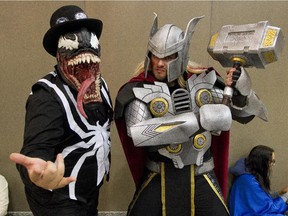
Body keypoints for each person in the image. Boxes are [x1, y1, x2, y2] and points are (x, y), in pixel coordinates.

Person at [114, 13, 268, 216]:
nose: (160, 63)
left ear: (182, 54)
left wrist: (241, 91)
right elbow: (140, 134)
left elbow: (246, 114)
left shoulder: (204, 82)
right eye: (155, 55)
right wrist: (198, 120)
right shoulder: (140, 89)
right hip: (159, 174)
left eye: (168, 56)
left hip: (201, 172)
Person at [9, 5, 113, 216]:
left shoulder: (101, 85)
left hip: (89, 191)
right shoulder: (47, 96)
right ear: (59, 56)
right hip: (58, 200)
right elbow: (35, 150)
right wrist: (37, 174)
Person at [229, 145, 288, 216]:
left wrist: (280, 193)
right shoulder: (248, 181)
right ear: (262, 162)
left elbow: (263, 201)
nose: (272, 165)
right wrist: (286, 196)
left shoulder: (249, 177)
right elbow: (269, 209)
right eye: (271, 162)